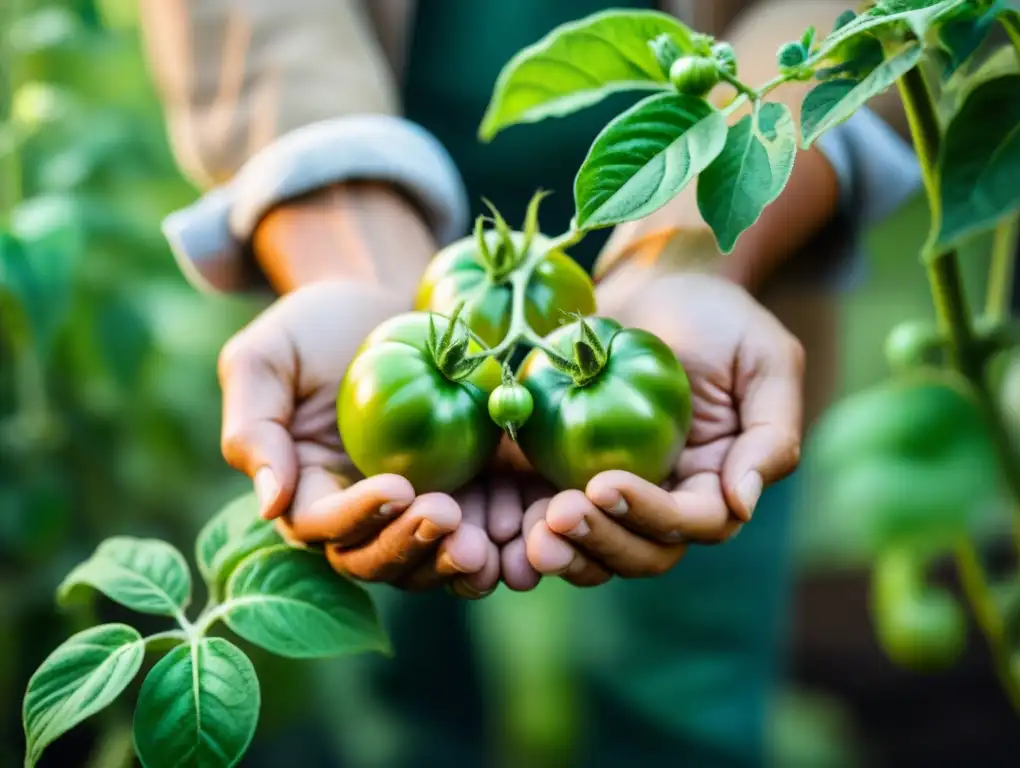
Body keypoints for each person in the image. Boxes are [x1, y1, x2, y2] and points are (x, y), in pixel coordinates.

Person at [138, 1, 921, 765]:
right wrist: (343, 241)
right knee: (389, 663)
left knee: (691, 661)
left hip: (729, 218)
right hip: (374, 146)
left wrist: (693, 253)